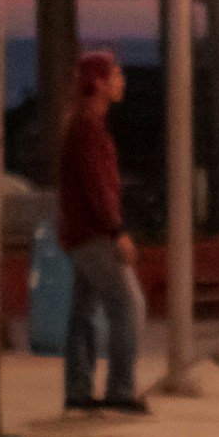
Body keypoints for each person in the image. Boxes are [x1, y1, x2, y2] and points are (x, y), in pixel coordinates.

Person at [54, 48, 147, 415]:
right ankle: (120, 391)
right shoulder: (87, 131)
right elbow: (97, 188)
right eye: (116, 75)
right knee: (128, 304)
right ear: (99, 83)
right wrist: (118, 231)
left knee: (84, 311)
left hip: (80, 233)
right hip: (93, 235)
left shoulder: (84, 127)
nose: (122, 80)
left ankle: (78, 391)